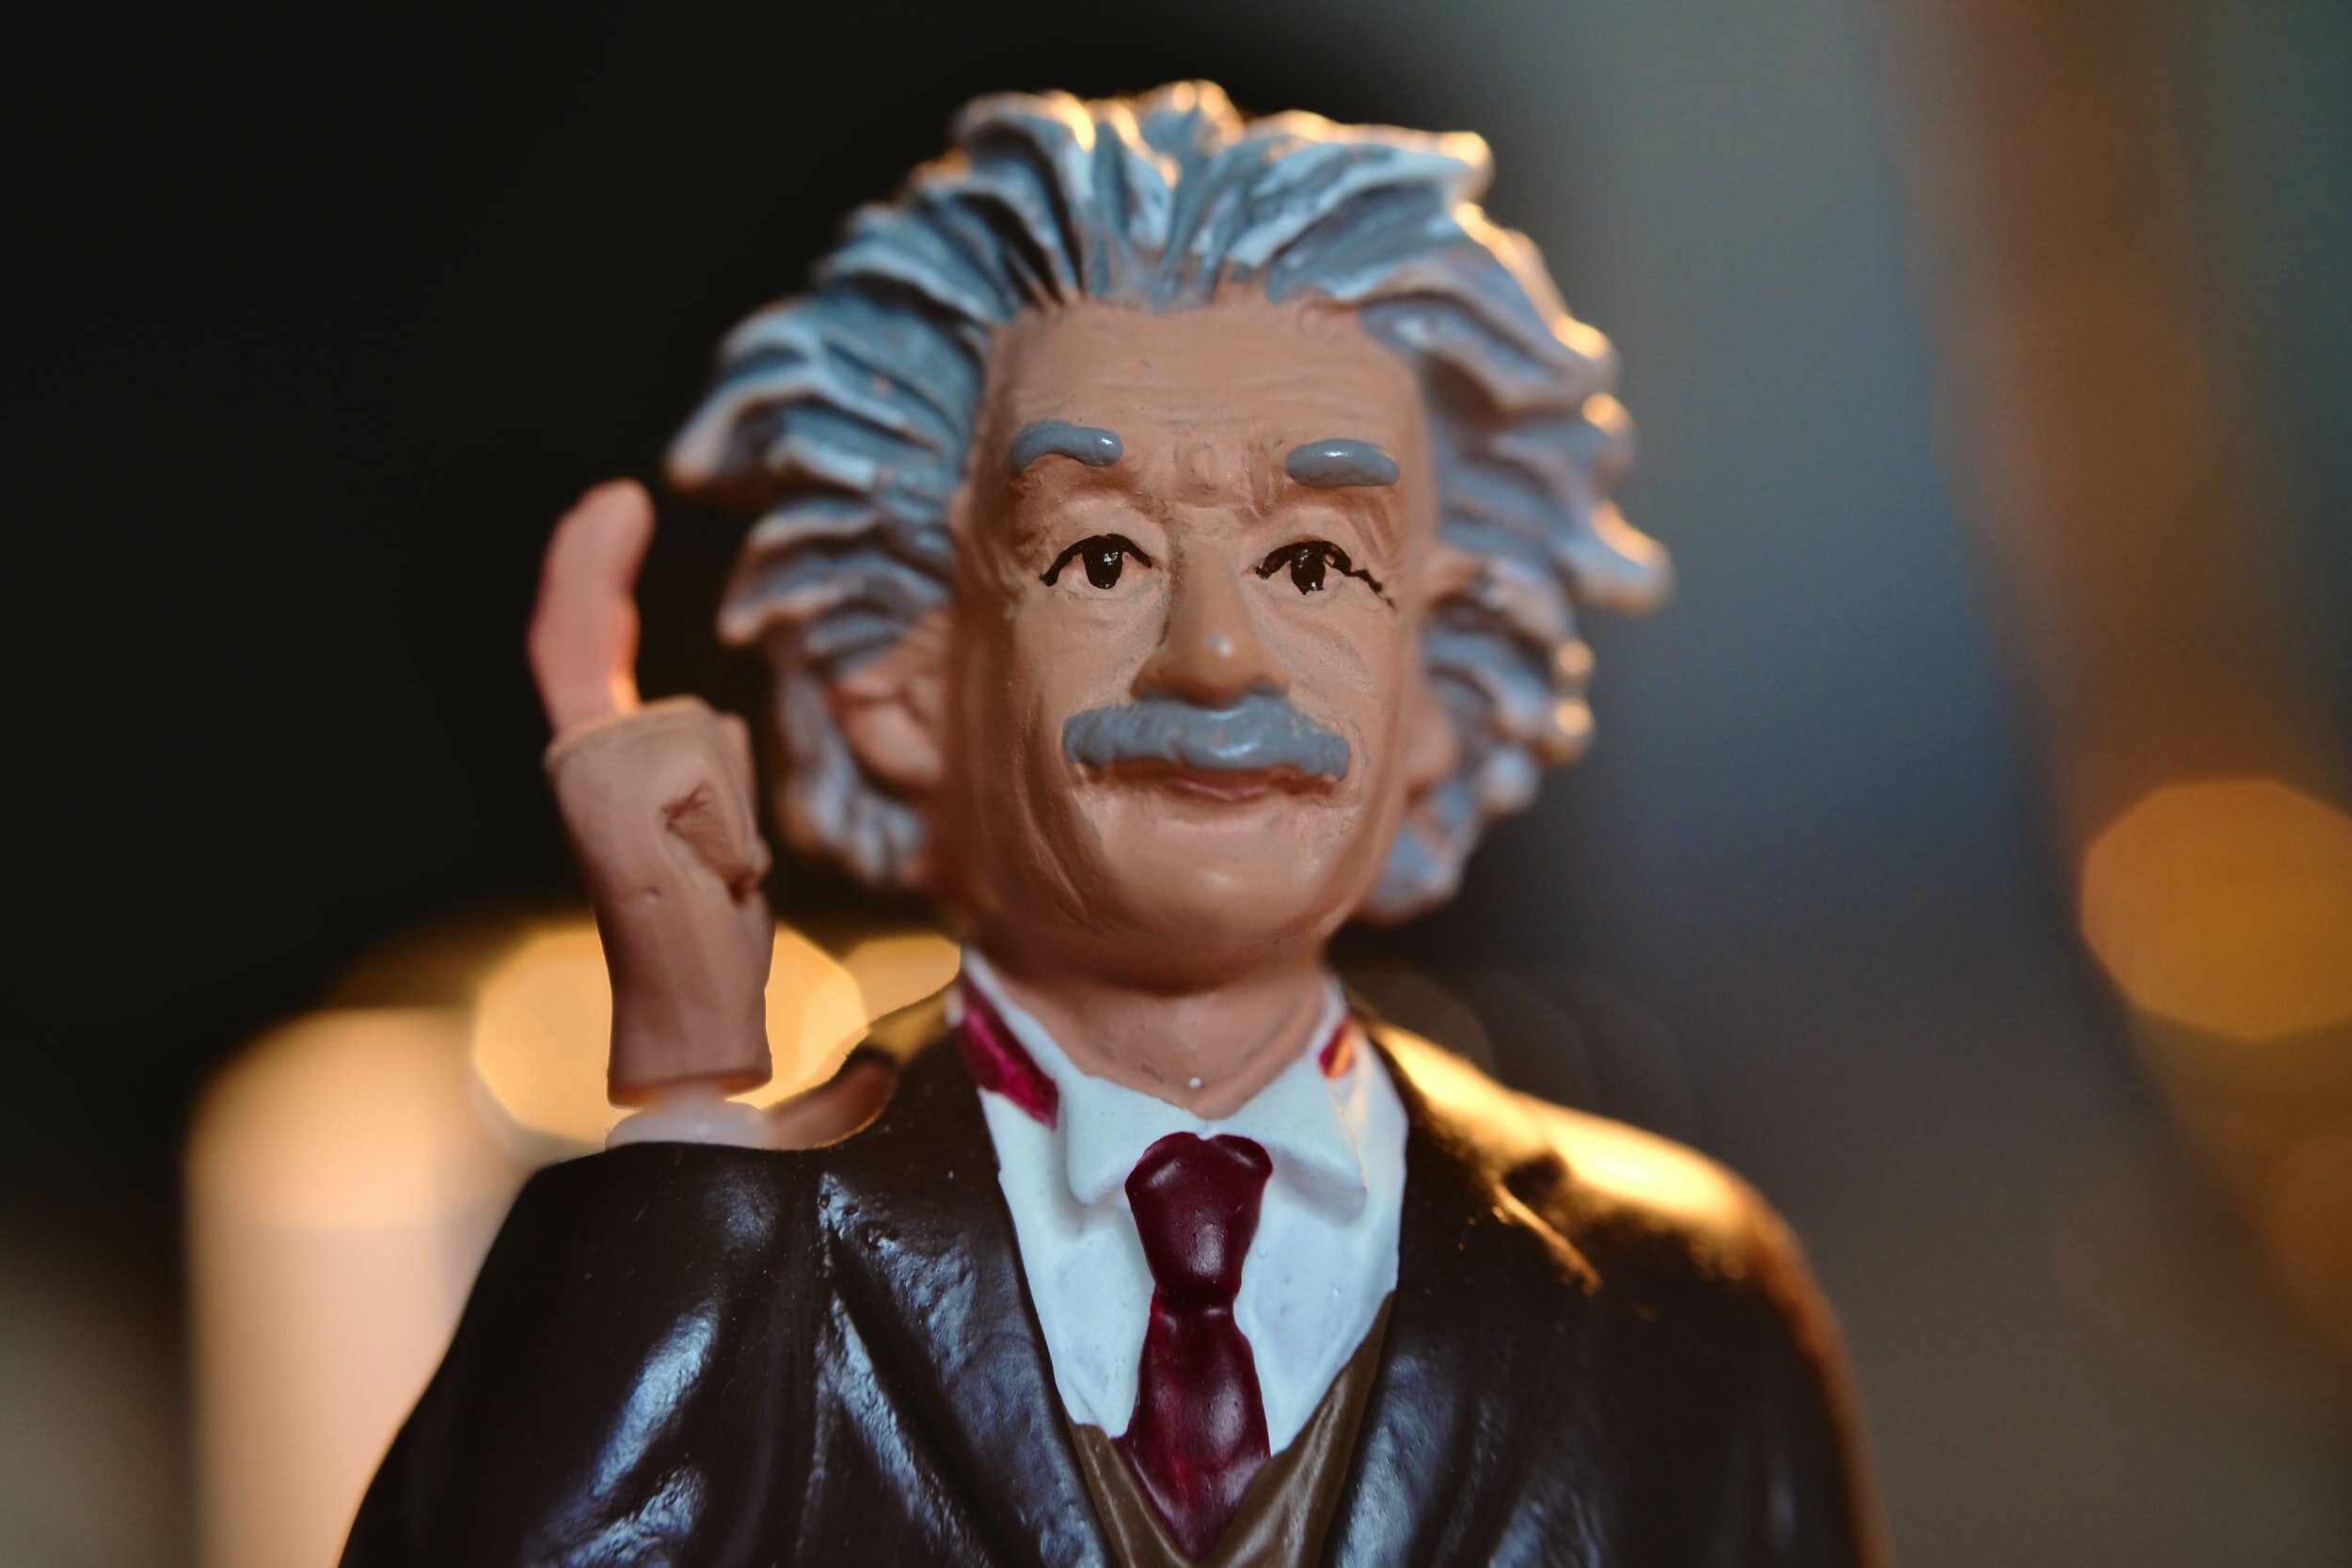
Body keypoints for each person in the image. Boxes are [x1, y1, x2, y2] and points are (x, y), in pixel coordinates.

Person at [343, 83, 1881, 1567]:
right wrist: (688, 1113)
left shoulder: (1689, 1305)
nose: (1215, 656)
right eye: (1098, 560)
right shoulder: (736, 1269)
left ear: (1435, 671)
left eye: (1313, 566)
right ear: (911, 677)